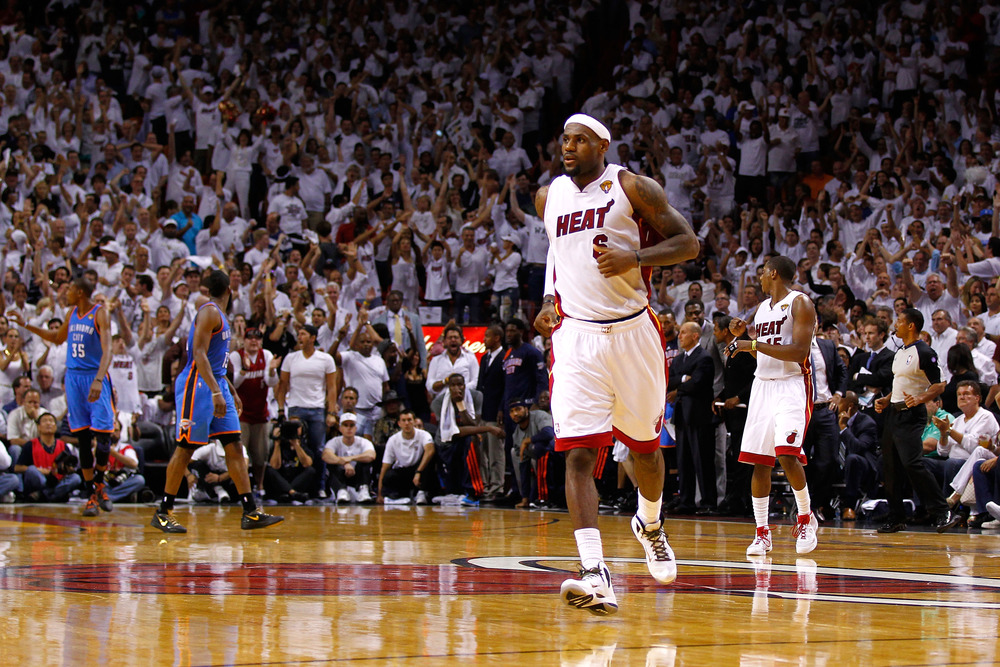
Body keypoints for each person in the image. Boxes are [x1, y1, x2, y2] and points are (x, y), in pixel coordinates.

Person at [534, 113, 699, 615]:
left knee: (646, 451)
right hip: (576, 336)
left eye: (580, 139)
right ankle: (593, 571)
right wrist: (546, 298)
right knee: (579, 455)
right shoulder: (549, 196)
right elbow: (557, 252)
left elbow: (688, 243)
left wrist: (636, 259)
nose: (569, 146)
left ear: (602, 145)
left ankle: (650, 523)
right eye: (565, 139)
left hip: (632, 332)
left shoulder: (630, 186)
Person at [151, 270, 282, 533]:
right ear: (229, 291)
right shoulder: (209, 311)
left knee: (233, 446)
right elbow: (198, 353)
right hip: (196, 384)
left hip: (216, 382)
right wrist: (215, 391)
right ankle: (163, 512)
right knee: (185, 448)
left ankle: (250, 512)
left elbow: (215, 360)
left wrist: (229, 389)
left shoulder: (221, 315)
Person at [726, 256, 820, 557]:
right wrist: (747, 337)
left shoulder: (800, 302)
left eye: (763, 273)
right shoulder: (763, 308)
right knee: (760, 460)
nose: (760, 278)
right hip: (762, 385)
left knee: (787, 454)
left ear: (774, 273)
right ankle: (762, 532)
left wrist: (751, 344)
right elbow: (766, 354)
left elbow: (797, 352)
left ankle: (805, 518)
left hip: (791, 385)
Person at [9, 277, 115, 518]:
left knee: (104, 437)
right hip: (74, 379)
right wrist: (27, 325)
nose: (64, 293)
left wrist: (99, 379)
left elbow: (107, 350)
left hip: (94, 376)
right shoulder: (72, 313)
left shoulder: (100, 314)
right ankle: (90, 495)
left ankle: (100, 482)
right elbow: (57, 338)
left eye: (68, 290)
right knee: (84, 438)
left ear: (79, 292)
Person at [873, 308, 959, 533]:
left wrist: (920, 398)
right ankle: (896, 516)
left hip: (912, 414)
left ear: (911, 325)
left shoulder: (924, 351)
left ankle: (943, 510)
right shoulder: (900, 351)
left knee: (913, 463)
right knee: (889, 466)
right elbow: (901, 383)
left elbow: (939, 385)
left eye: (899, 321)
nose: (896, 324)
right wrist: (887, 399)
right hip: (894, 412)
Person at [666, 321, 716, 513]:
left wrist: (681, 386)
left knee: (702, 461)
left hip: (699, 416)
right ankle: (686, 501)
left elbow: (698, 384)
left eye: (684, 332)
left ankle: (708, 502)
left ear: (695, 335)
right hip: (681, 416)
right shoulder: (678, 360)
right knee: (683, 461)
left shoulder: (704, 357)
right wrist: (683, 381)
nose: (680, 336)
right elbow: (669, 382)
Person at [230, 328, 279, 496]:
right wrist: (244, 370)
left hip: (260, 414)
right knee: (240, 455)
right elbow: (233, 384)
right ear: (244, 340)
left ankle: (260, 485)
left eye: (257, 339)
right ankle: (241, 489)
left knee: (260, 456)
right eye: (250, 338)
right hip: (241, 414)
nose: (253, 341)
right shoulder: (236, 356)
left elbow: (271, 382)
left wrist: (272, 370)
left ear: (261, 342)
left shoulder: (266, 355)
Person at [837, 391, 880, 520]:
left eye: (839, 402)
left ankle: (849, 506)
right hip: (839, 464)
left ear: (849, 406)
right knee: (822, 460)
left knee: (852, 459)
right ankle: (819, 506)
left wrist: (844, 428)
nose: (836, 405)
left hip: (864, 467)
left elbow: (858, 448)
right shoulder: (833, 419)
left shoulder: (867, 423)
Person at [378, 409, 435, 504]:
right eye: (403, 420)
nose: (407, 423)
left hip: (419, 471)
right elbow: (385, 467)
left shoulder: (424, 434)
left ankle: (421, 493)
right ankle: (397, 497)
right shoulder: (393, 440)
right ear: (399, 423)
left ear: (414, 421)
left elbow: (430, 450)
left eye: (409, 420)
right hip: (403, 472)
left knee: (429, 460)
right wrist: (379, 494)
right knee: (389, 476)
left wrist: (418, 471)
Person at [321, 412, 376, 503]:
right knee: (331, 464)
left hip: (358, 475)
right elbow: (326, 455)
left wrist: (350, 458)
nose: (349, 428)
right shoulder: (334, 441)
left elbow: (371, 455)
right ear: (340, 428)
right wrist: (344, 462)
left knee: (366, 462)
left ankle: (363, 489)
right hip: (340, 475)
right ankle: (341, 490)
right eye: (345, 425)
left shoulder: (363, 442)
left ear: (356, 428)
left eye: (352, 425)